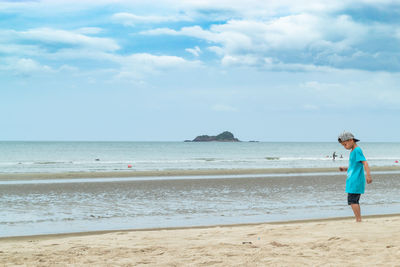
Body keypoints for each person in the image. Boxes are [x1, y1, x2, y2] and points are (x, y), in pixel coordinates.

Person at [338, 131, 372, 222]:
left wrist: (368, 176)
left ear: (351, 140)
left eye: (345, 144)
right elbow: (354, 166)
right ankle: (358, 218)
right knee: (353, 200)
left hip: (356, 180)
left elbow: (364, 162)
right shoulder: (353, 151)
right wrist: (345, 169)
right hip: (352, 180)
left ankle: (358, 219)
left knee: (353, 201)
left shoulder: (357, 150)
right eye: (343, 145)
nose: (345, 147)